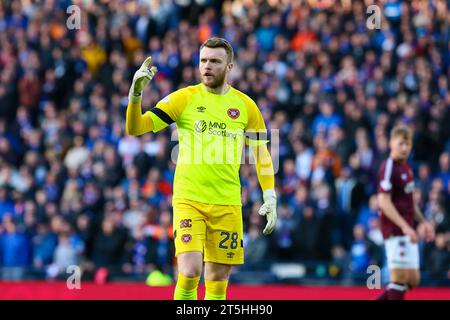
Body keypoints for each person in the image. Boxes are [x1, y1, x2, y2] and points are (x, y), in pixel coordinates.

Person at [125, 37, 277, 300]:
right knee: (190, 270)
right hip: (189, 199)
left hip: (228, 202)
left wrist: (270, 195)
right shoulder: (184, 98)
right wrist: (136, 93)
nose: (207, 66)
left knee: (218, 280)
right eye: (203, 60)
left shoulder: (246, 106)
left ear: (229, 67)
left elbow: (261, 153)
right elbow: (135, 127)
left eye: (215, 61)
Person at [376, 126, 435, 300]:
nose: (405, 147)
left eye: (407, 144)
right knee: (399, 278)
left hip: (407, 228)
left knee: (413, 280)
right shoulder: (389, 166)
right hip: (394, 229)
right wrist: (405, 227)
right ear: (391, 144)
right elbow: (383, 201)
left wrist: (423, 222)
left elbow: (410, 203)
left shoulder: (407, 168)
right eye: (400, 143)